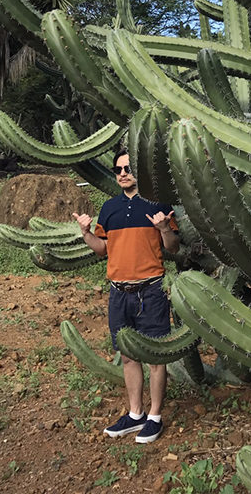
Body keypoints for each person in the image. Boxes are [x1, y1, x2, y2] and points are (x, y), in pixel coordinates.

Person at [72, 148, 179, 443]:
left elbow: (173, 248)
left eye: (128, 168)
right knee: (129, 356)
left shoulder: (158, 205)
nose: (122, 173)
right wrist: (85, 233)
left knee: (156, 357)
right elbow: (103, 249)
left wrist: (162, 228)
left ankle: (155, 416)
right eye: (118, 169)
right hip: (119, 293)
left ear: (139, 172)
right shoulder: (109, 209)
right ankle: (135, 414)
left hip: (151, 291)